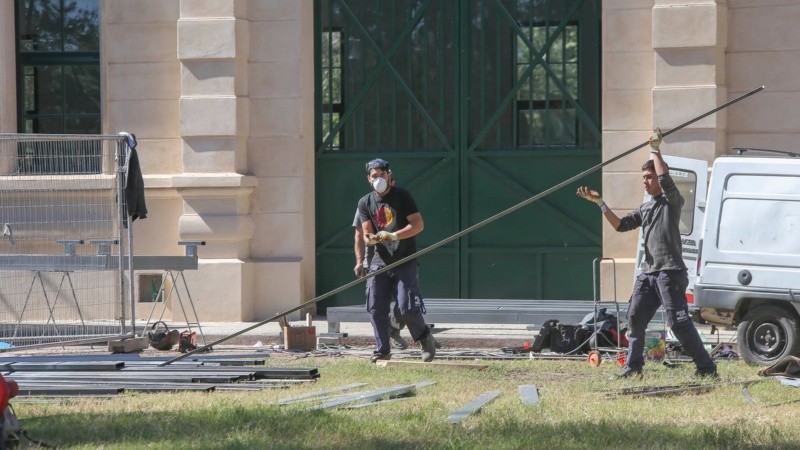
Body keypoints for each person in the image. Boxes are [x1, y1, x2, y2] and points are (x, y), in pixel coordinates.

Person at [576, 129, 717, 379]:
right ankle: (633, 367)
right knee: (634, 319)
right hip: (648, 274)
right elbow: (620, 226)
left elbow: (664, 178)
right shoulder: (645, 208)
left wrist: (655, 149)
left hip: (670, 273)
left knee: (678, 323)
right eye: (643, 177)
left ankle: (706, 368)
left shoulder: (672, 201)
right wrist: (600, 203)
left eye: (649, 177)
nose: (645, 181)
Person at [357, 158, 437, 362]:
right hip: (379, 261)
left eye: (382, 175)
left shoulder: (402, 196)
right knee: (375, 307)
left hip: (404, 259)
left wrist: (394, 235)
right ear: (369, 179)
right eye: (374, 176)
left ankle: (425, 339)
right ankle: (382, 350)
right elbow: (366, 232)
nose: (378, 179)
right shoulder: (365, 202)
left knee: (406, 307)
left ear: (389, 175)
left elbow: (418, 225)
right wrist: (371, 238)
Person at [352, 174, 409, 350]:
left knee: (403, 303)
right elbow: (359, 235)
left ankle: (394, 330)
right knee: (375, 305)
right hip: (375, 262)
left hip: (399, 259)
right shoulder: (366, 205)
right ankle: (383, 345)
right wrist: (360, 261)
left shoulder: (400, 202)